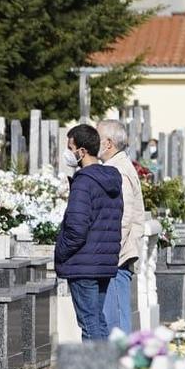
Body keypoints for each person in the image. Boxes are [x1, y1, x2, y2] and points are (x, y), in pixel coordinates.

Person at [54, 123, 124, 341]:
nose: (68, 152)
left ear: (82, 151)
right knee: (97, 320)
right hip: (103, 261)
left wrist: (61, 253)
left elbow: (76, 227)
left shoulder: (84, 182)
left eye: (70, 147)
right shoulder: (111, 179)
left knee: (89, 323)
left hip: (83, 263)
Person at [97, 118, 146, 334]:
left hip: (117, 256)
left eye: (96, 138)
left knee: (116, 323)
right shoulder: (115, 166)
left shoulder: (119, 170)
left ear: (108, 143)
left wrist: (110, 250)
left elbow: (123, 217)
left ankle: (122, 365)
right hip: (115, 255)